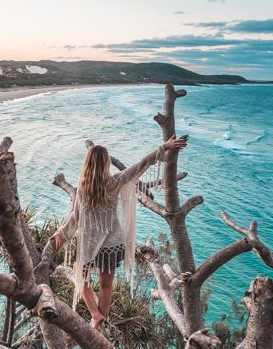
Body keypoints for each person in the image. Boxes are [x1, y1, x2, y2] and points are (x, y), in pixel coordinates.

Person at [50, 135, 187, 331]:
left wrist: (60, 234)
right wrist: (164, 147)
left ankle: (95, 315)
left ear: (87, 164)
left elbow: (75, 217)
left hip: (89, 245)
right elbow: (141, 164)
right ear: (106, 163)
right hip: (113, 246)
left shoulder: (83, 189)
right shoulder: (115, 182)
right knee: (106, 286)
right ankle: (98, 323)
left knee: (81, 277)